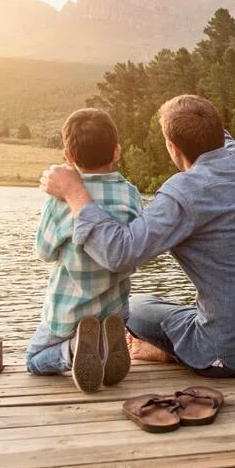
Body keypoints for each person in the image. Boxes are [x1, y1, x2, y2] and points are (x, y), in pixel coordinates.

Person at [40, 94, 235, 377]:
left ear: (173, 148)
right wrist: (187, 112)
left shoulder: (183, 194)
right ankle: (176, 349)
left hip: (233, 356)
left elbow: (119, 253)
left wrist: (74, 192)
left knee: (133, 306)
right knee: (176, 309)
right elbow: (214, 135)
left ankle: (174, 353)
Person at [27, 108, 142, 393]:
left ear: (68, 156)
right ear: (117, 152)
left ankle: (75, 347)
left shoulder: (61, 199)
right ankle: (103, 345)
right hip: (116, 310)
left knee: (34, 359)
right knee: (108, 323)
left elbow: (44, 251)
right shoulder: (131, 193)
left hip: (68, 311)